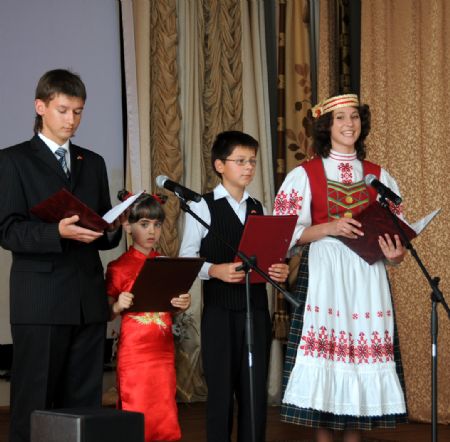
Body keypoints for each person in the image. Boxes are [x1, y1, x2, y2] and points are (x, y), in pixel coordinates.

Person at [274, 94, 408, 442]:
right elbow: (281, 234)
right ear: (326, 127)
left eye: (355, 117)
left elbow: (397, 235)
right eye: (340, 119)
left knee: (359, 360)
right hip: (325, 274)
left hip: (367, 276)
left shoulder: (379, 176)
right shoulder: (304, 174)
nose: (349, 124)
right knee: (329, 360)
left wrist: (395, 255)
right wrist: (329, 228)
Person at [0, 69, 124, 442]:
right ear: (41, 107)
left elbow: (102, 237)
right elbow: (6, 230)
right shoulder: (13, 160)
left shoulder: (94, 162)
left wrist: (116, 227)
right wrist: (56, 231)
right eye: (63, 110)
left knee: (83, 404)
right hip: (40, 300)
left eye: (79, 112)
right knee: (35, 401)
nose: (72, 120)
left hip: (87, 299)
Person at [179, 130, 289, 442]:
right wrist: (214, 269)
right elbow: (187, 258)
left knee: (254, 393)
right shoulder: (202, 206)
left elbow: (267, 258)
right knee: (221, 394)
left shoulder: (259, 207)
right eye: (240, 161)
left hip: (256, 311)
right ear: (219, 165)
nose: (248, 167)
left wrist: (276, 270)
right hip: (219, 313)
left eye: (252, 161)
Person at [106, 190, 191, 442]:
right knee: (136, 414)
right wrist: (117, 306)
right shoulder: (118, 267)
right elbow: (107, 313)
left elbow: (172, 305)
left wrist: (182, 303)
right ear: (128, 227)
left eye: (157, 224)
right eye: (144, 224)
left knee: (164, 414)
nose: (152, 231)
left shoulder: (166, 264)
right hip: (134, 354)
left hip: (162, 351)